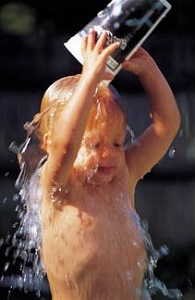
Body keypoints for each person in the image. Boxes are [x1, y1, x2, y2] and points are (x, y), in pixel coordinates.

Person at [35, 28, 181, 300]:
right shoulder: (59, 186)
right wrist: (90, 78)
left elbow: (167, 125)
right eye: (94, 144)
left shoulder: (124, 174)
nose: (110, 154)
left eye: (116, 143)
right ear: (48, 143)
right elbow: (66, 145)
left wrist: (148, 70)